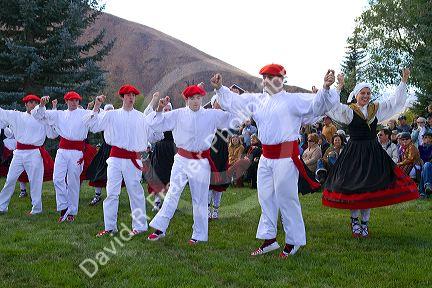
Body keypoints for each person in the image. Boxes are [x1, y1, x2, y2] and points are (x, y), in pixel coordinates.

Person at [211, 64, 338, 257]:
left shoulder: (292, 100)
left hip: (286, 158)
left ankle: (293, 242)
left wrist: (326, 88)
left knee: (287, 198)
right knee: (266, 198)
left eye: (271, 77)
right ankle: (269, 239)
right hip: (266, 157)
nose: (266, 81)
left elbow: (317, 105)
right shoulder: (258, 100)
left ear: (281, 79)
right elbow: (236, 102)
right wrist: (220, 88)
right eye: (264, 78)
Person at [323, 68, 418, 238]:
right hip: (354, 152)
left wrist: (403, 81)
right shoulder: (349, 110)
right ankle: (354, 221)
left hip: (372, 151)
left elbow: (394, 102)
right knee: (353, 187)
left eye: (368, 93)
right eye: (363, 93)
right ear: (356, 94)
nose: (366, 96)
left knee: (369, 188)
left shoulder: (375, 109)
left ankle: (365, 223)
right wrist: (339, 86)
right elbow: (332, 107)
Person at [147, 84, 236, 245]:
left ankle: (199, 235)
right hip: (181, 160)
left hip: (201, 162)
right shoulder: (178, 114)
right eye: (192, 98)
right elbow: (155, 124)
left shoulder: (211, 115)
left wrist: (229, 99)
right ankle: (160, 228)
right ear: (186, 99)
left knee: (200, 198)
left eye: (199, 98)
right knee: (172, 193)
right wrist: (159, 109)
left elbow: (232, 119)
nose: (196, 101)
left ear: (202, 99)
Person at [88, 85, 163, 237]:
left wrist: (159, 113)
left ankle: (140, 226)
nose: (131, 98)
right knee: (112, 192)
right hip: (115, 158)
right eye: (128, 95)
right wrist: (97, 105)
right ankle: (110, 227)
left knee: (135, 192)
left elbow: (155, 135)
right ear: (122, 97)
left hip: (133, 159)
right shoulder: (112, 115)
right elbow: (94, 126)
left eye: (133, 95)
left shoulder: (141, 117)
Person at [32, 91, 97, 222]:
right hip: (62, 151)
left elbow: (95, 118)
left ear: (79, 102)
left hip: (77, 152)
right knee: (57, 179)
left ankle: (71, 212)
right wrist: (41, 104)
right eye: (71, 100)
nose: (74, 102)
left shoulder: (83, 114)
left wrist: (97, 105)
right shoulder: (60, 114)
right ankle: (63, 207)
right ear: (66, 101)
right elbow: (39, 115)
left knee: (73, 181)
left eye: (76, 100)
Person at [0, 95, 54, 215]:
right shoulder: (17, 116)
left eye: (35, 102)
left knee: (35, 181)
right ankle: (1, 207)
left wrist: (42, 105)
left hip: (34, 153)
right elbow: (3, 113)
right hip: (18, 153)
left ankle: (36, 209)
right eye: (30, 102)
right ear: (25, 104)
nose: (33, 104)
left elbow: (52, 132)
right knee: (10, 179)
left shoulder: (42, 118)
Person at [146, 100, 177, 212]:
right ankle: (157, 201)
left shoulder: (175, 121)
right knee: (158, 175)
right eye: (166, 109)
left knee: (171, 177)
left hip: (172, 151)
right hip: (159, 150)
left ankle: (169, 203)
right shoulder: (158, 121)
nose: (167, 111)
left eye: (169, 109)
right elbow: (151, 131)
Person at [86, 104, 115, 206]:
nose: (109, 112)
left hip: (116, 150)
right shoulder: (102, 121)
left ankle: (112, 197)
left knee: (115, 175)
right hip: (105, 150)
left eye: (111, 110)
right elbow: (93, 123)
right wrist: (92, 109)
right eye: (107, 110)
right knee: (98, 172)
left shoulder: (117, 122)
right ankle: (97, 195)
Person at [207, 97, 230, 220]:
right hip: (210, 151)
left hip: (222, 152)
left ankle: (216, 209)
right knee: (209, 181)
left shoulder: (227, 116)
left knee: (219, 182)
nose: (220, 104)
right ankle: (207, 209)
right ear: (213, 103)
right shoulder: (207, 115)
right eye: (217, 101)